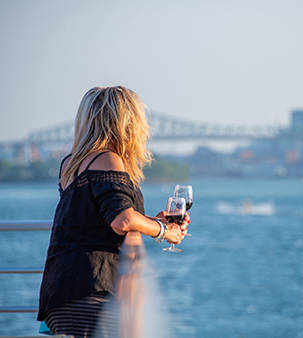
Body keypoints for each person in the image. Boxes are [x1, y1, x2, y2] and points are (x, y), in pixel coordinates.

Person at [37, 86, 189, 337]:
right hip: (91, 291)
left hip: (62, 288)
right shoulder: (107, 160)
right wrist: (165, 232)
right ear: (127, 123)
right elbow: (123, 219)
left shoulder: (70, 163)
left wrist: (152, 220)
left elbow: (93, 220)